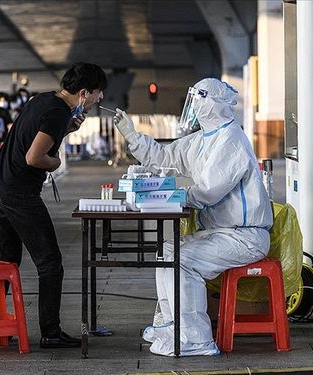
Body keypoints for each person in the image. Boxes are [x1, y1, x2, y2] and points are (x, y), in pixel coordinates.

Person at [113, 78, 273, 357]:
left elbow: (208, 192)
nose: (195, 108)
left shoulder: (231, 140)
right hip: (221, 232)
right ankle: (170, 325)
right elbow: (165, 156)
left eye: (199, 102)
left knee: (183, 261)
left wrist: (171, 195)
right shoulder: (203, 139)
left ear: (212, 104)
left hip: (244, 236)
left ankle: (197, 339)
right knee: (166, 251)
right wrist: (132, 136)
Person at [0, 62, 106, 348]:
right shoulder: (57, 112)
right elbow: (34, 157)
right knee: (50, 263)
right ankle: (51, 332)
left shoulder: (42, 100)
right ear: (84, 93)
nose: (99, 100)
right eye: (98, 94)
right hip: (19, 192)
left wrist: (65, 131)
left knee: (6, 258)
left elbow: (32, 136)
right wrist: (56, 162)